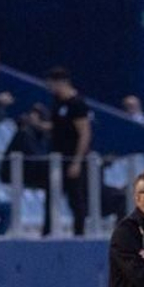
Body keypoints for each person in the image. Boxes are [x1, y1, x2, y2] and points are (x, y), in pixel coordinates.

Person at [46, 67, 91, 236]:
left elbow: (84, 133)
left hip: (72, 159)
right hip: (57, 159)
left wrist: (77, 162)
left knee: (76, 198)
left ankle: (79, 233)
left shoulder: (77, 104)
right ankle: (47, 232)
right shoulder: (57, 103)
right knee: (51, 196)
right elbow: (58, 127)